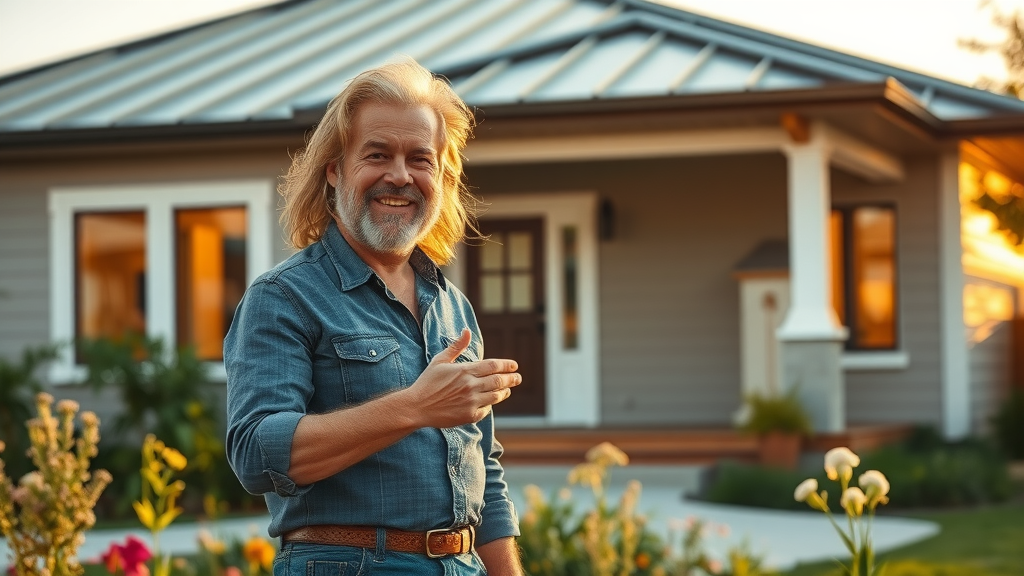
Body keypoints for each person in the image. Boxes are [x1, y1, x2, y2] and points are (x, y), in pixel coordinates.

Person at [224, 58, 524, 576]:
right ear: (336, 170)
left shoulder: (453, 305)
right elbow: (255, 454)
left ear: (442, 175)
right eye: (378, 154)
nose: (400, 176)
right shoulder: (285, 296)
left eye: (420, 159)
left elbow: (484, 471)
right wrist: (413, 407)